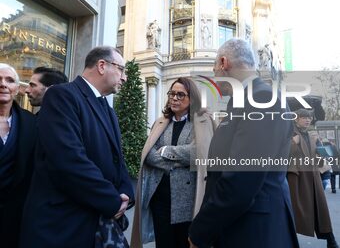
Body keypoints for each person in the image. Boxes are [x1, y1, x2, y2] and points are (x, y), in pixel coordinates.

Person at [188, 38, 299, 248]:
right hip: (243, 225)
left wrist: (200, 231)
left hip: (256, 231)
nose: (214, 77)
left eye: (214, 70)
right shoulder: (246, 100)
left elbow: (241, 179)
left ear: (223, 62)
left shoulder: (263, 99)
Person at [19, 46, 134, 248]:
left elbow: (118, 159)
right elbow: (68, 160)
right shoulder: (61, 96)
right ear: (101, 65)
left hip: (94, 224)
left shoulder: (108, 109)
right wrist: (111, 200)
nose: (124, 77)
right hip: (62, 225)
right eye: (121, 69)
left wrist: (126, 194)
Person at [131, 77, 215, 248]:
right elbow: (149, 155)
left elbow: (198, 153)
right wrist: (177, 164)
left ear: (192, 98)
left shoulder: (202, 122)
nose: (174, 98)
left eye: (180, 95)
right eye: (172, 94)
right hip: (160, 199)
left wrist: (166, 151)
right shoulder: (161, 122)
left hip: (188, 201)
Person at [287, 108, 339, 248]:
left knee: (321, 209)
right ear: (296, 119)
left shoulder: (311, 136)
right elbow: (281, 155)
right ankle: (287, 240)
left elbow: (321, 158)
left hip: (313, 177)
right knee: (295, 212)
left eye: (309, 117)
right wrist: (293, 143)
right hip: (297, 180)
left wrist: (321, 148)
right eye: (304, 117)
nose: (307, 120)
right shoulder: (289, 134)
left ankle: (330, 239)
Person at [0, 63, 36, 248]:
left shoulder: (31, 123)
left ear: (17, 89)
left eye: (9, 80)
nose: (3, 84)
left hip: (14, 217)